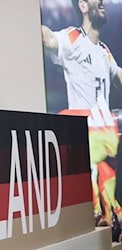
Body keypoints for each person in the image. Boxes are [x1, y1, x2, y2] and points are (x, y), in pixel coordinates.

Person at [42, 0, 122, 227]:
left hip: (107, 135)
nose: (104, 3)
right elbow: (49, 38)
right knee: (96, 210)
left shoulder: (104, 51)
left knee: (110, 211)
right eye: (98, 0)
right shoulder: (73, 38)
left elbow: (118, 75)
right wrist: (24, 24)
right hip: (87, 134)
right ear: (84, 7)